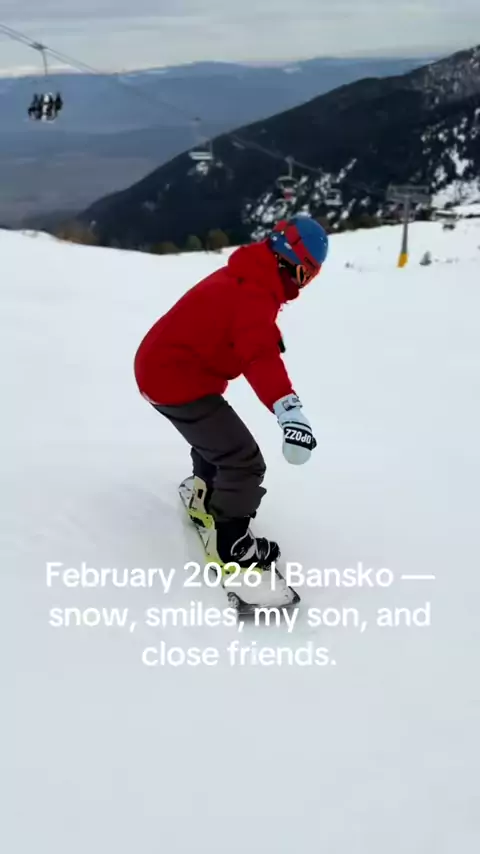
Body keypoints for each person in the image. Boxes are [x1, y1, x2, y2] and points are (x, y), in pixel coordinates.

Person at [134, 214, 329, 568]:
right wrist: (288, 410)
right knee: (244, 461)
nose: (304, 285)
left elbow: (247, 334)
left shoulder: (250, 274)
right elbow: (259, 354)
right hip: (175, 379)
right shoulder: (254, 294)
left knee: (218, 439)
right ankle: (232, 545)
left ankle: (204, 494)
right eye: (306, 274)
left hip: (165, 369)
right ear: (291, 262)